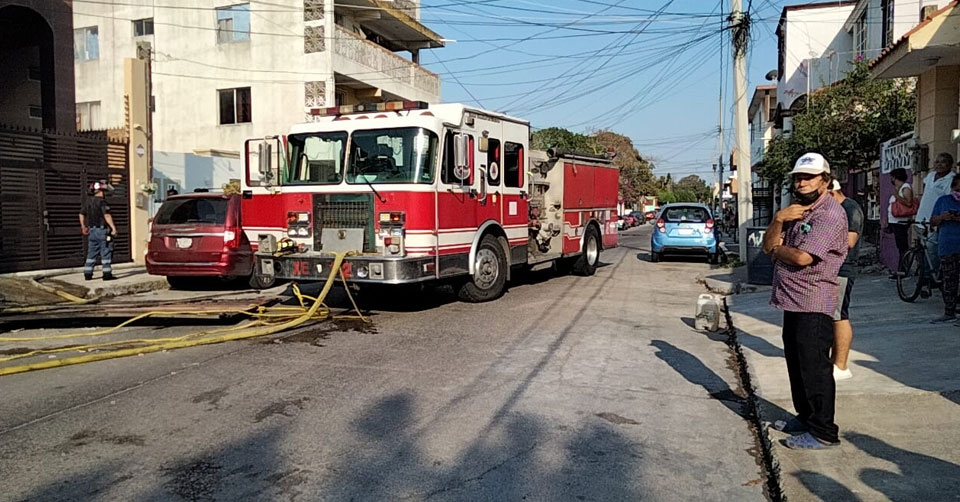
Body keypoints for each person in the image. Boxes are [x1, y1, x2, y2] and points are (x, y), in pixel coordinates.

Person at [762, 153, 848, 450]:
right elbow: (767, 243)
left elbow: (801, 257)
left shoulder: (829, 214)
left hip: (814, 300)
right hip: (792, 300)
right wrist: (778, 220)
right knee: (797, 364)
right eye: (798, 177)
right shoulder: (795, 211)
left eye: (809, 177)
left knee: (815, 369)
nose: (802, 183)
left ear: (825, 180)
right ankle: (806, 417)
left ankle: (823, 431)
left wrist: (776, 251)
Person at [829, 181, 863, 381]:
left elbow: (850, 241)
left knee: (839, 315)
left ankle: (840, 365)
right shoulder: (837, 209)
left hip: (842, 268)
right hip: (832, 268)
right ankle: (833, 360)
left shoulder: (850, 209)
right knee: (832, 315)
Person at [915, 153, 956, 282]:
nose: (939, 164)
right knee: (923, 249)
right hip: (922, 217)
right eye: (937, 162)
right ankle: (925, 275)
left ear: (950, 164)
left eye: (943, 162)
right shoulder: (930, 176)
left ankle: (932, 277)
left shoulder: (951, 179)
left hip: (937, 219)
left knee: (933, 249)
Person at [928, 175, 960, 323]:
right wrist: (942, 217)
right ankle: (949, 311)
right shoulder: (943, 201)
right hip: (948, 245)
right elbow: (932, 220)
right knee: (949, 280)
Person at [79, 180, 118, 281]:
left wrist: (83, 226)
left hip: (92, 231)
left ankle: (88, 274)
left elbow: (81, 214)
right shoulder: (102, 202)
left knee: (91, 253)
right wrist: (113, 228)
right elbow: (107, 215)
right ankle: (107, 274)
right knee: (106, 252)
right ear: (100, 191)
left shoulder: (88, 202)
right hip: (102, 231)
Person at [887, 167, 914, 278]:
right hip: (895, 221)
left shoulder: (905, 187)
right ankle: (901, 269)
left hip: (901, 222)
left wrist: (897, 196)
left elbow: (909, 203)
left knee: (902, 246)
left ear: (895, 177)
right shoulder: (898, 188)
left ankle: (903, 269)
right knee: (900, 246)